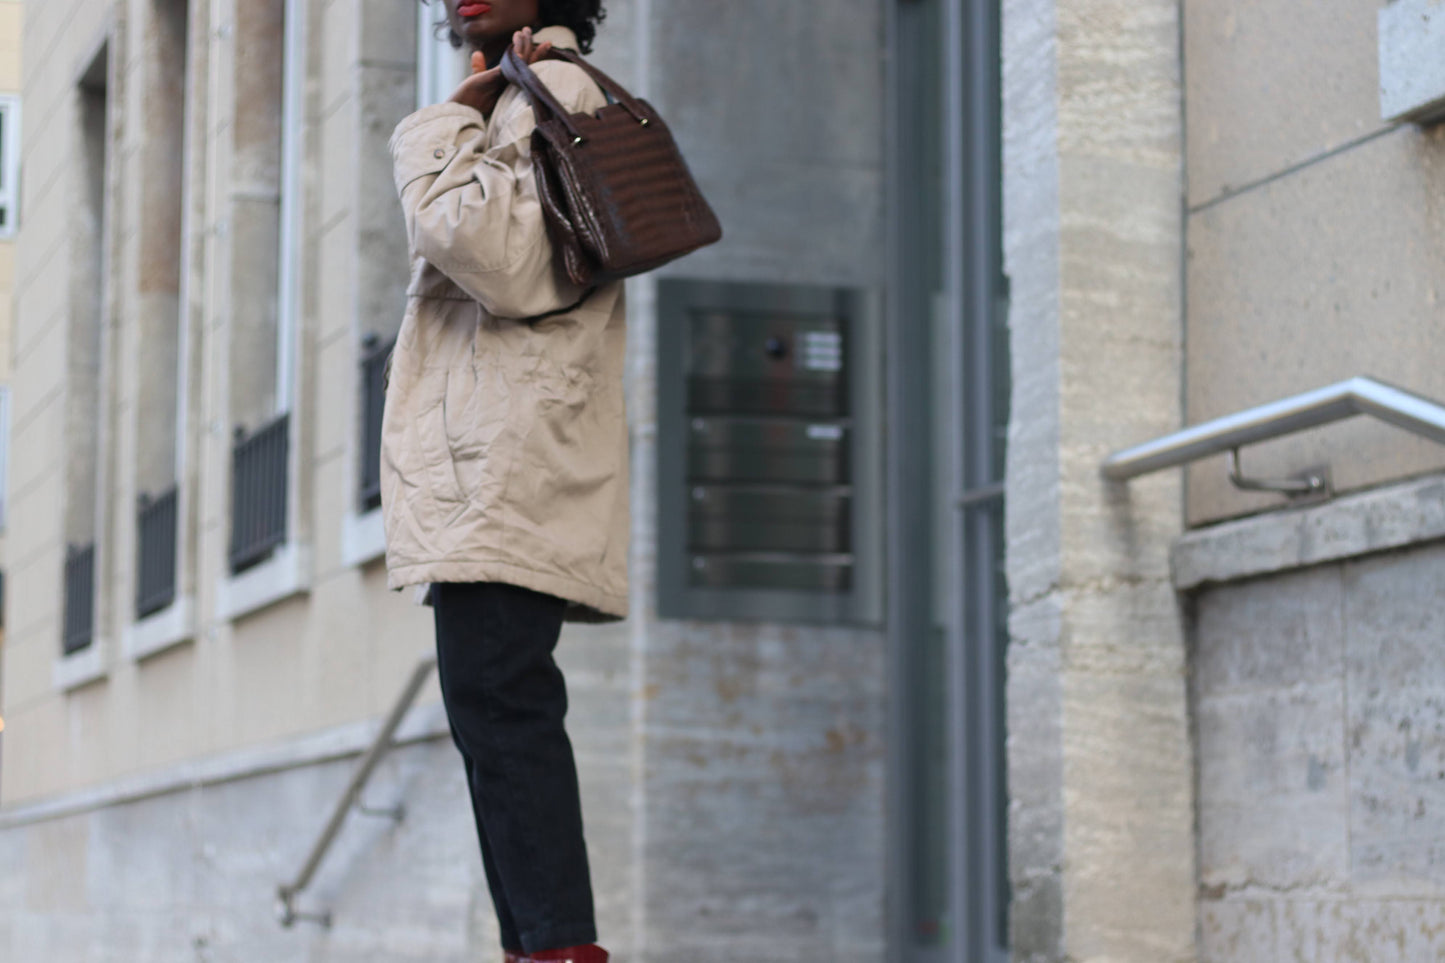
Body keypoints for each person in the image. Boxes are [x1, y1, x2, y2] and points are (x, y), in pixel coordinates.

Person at [382, 2, 624, 961]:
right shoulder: (521, 98)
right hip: (496, 452)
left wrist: (443, 121)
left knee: (502, 702)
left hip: (507, 453)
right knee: (494, 708)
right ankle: (539, 945)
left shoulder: (555, 93)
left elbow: (502, 263)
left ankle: (559, 948)